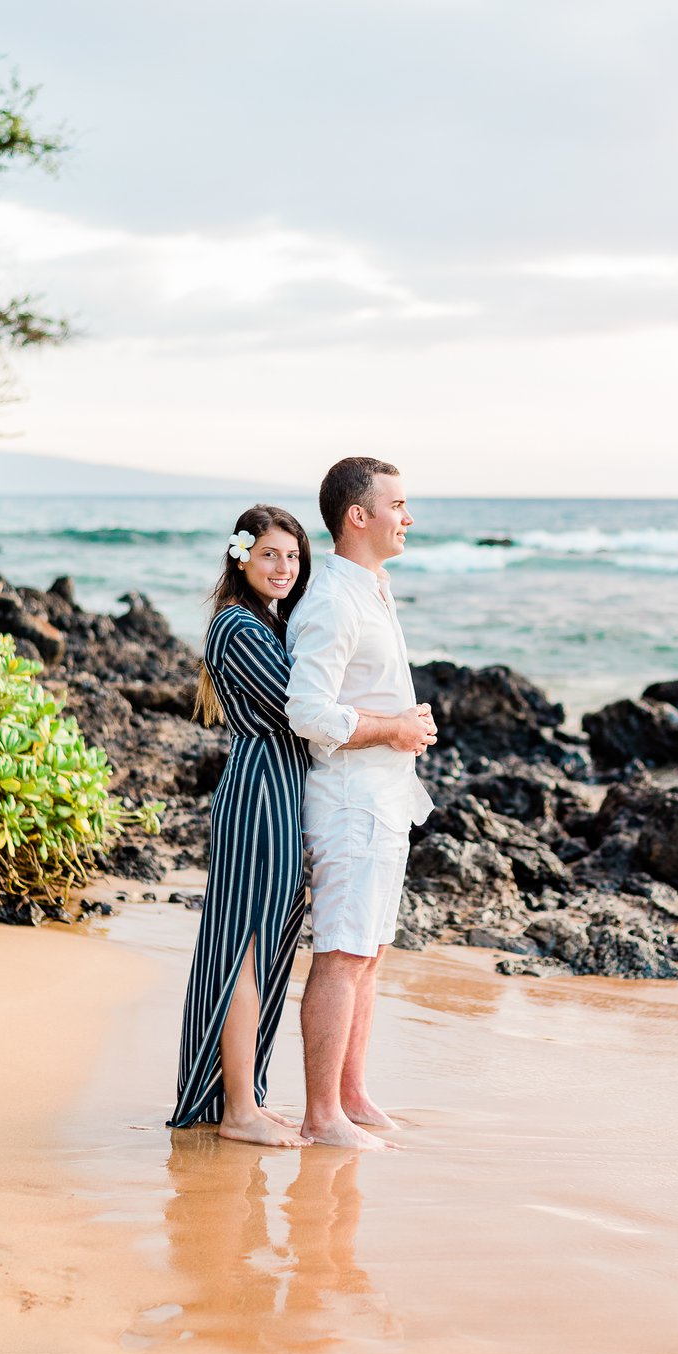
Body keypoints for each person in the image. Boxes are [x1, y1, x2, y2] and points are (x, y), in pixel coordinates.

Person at [285, 457, 437, 1150]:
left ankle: (352, 1093)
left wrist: (403, 728)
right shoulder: (331, 601)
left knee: (369, 952)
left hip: (385, 798)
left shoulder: (373, 589)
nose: (408, 517)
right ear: (359, 516)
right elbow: (308, 712)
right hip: (347, 803)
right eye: (398, 505)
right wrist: (394, 728)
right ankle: (321, 1116)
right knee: (341, 954)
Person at [168, 505, 313, 1147]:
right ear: (241, 558)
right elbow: (302, 709)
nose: (283, 568)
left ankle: (242, 1093)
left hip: (280, 791)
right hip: (258, 793)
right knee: (244, 952)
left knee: (266, 948)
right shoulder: (236, 626)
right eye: (270, 555)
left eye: (293, 556)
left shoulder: (265, 621)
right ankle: (237, 1112)